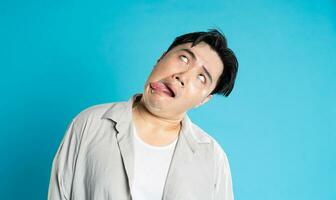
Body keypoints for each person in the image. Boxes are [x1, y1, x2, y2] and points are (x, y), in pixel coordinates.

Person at [48, 29, 238, 200]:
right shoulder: (89, 123)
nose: (182, 75)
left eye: (201, 77)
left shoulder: (213, 158)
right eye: (184, 58)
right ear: (160, 58)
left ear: (203, 100)